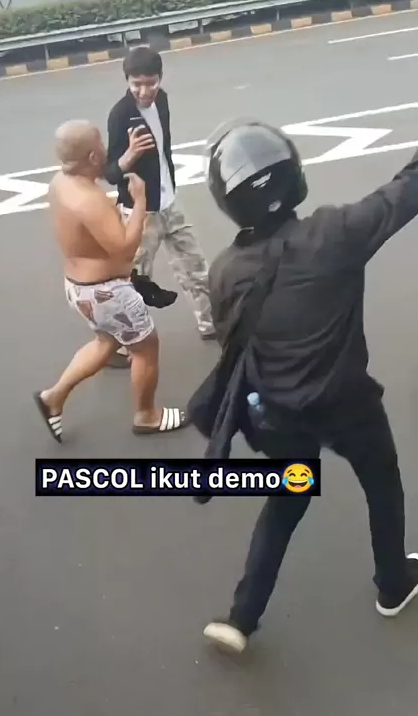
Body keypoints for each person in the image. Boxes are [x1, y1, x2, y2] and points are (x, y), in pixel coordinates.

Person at [192, 118, 418, 653]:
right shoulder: (336, 232)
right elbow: (406, 191)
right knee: (381, 482)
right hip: (348, 404)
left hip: (279, 415)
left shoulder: (224, 271)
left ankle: (241, 618)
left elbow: (230, 340)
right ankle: (393, 583)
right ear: (294, 175)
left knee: (286, 502)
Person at [33, 120, 187, 440]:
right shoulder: (89, 200)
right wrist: (140, 201)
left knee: (107, 340)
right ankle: (147, 415)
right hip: (107, 294)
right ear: (92, 156)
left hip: (79, 288)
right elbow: (126, 248)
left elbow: (90, 231)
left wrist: (124, 169)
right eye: (100, 145)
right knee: (145, 348)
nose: (105, 149)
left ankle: (52, 398)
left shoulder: (60, 183)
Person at [105, 46, 215, 367]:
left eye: (150, 83)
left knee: (196, 267)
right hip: (140, 213)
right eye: (136, 84)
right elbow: (110, 173)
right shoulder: (120, 115)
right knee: (133, 282)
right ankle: (119, 346)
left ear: (160, 79)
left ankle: (210, 324)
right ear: (127, 81)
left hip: (169, 203)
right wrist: (129, 156)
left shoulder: (162, 100)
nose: (144, 91)